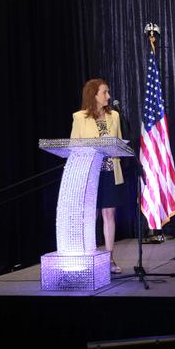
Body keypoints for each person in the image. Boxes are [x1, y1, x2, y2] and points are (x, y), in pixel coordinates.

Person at [70, 78, 124, 274]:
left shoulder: (115, 116)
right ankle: (88, 257)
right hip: (90, 173)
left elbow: (118, 143)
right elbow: (74, 147)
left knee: (109, 214)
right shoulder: (79, 117)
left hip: (110, 171)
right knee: (89, 215)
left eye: (108, 92)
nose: (108, 96)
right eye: (104, 92)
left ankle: (109, 259)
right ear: (93, 95)